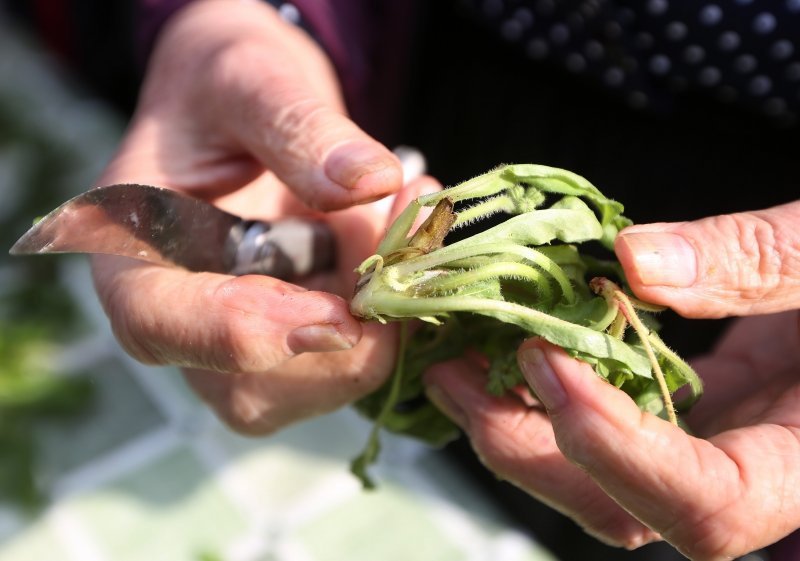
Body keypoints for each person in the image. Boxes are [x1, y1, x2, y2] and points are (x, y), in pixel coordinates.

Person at [22, 0, 798, 558]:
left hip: (759, 217)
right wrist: (250, 21)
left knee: (656, 487)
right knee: (490, 428)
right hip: (435, 63)